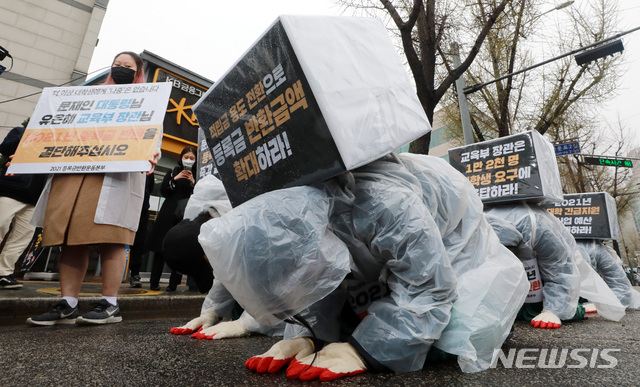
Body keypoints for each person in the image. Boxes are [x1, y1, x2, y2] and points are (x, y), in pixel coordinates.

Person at [26, 51, 159, 325]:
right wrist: (32, 151)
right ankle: (68, 303)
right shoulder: (89, 95)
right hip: (75, 171)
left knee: (112, 237)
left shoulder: (148, 100)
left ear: (138, 73)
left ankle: (109, 304)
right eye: (117, 65)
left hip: (115, 174)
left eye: (127, 66)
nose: (120, 69)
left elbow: (150, 135)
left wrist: (151, 152)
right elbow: (56, 129)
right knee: (70, 237)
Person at [0, 127, 48, 289]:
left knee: (23, 236)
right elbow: (5, 148)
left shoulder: (59, 138)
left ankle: (4, 273)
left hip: (35, 197)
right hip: (10, 190)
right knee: (1, 225)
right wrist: (31, 135)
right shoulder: (20, 131)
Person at [148, 146, 196, 291]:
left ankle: (173, 284)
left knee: (180, 250)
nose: (188, 160)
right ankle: (154, 282)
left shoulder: (197, 175)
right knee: (160, 248)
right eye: (186, 157)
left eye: (192, 158)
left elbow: (199, 195)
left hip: (185, 215)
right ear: (181, 157)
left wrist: (193, 181)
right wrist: (175, 178)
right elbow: (164, 191)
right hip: (168, 213)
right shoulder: (172, 171)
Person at [128, 173, 155, 288]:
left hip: (142, 209)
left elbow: (151, 188)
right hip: (125, 205)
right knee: (116, 241)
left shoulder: (149, 170)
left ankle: (135, 273)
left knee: (139, 242)